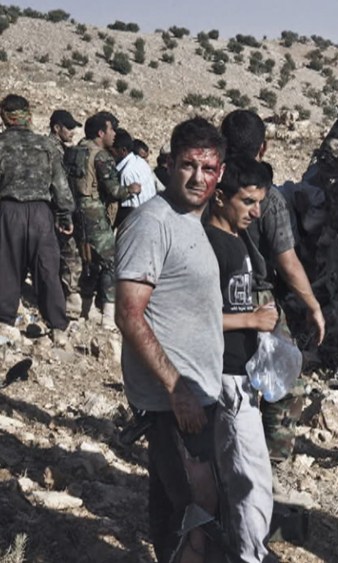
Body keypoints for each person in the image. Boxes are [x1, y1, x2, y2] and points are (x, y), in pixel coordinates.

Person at [115, 117, 228, 561]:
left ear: (220, 172)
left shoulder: (192, 221)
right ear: (169, 164)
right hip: (175, 403)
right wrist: (177, 388)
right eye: (188, 165)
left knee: (173, 512)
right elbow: (129, 314)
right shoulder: (153, 222)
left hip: (196, 395)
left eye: (208, 168)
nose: (198, 177)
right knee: (199, 510)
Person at [219, 109, 325, 462]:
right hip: (257, 298)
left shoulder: (213, 188)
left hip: (214, 292)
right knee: (285, 383)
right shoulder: (268, 198)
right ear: (262, 147)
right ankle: (270, 461)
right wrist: (313, 306)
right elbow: (287, 261)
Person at [205, 155, 279, 563]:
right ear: (220, 197)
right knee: (252, 479)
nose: (256, 212)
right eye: (248, 201)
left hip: (241, 376)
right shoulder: (210, 245)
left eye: (260, 202)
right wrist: (251, 319)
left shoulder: (236, 240)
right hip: (226, 378)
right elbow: (196, 317)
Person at [0, 95, 75, 345]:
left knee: (7, 267)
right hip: (42, 214)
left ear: (5, 117)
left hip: (8, 211)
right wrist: (64, 214)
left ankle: (4, 323)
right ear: (28, 116)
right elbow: (60, 186)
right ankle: (58, 328)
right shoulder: (45, 145)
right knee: (47, 270)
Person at [70, 111, 139, 328]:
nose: (114, 134)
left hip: (75, 210)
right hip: (94, 213)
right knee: (110, 261)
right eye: (111, 130)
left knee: (88, 259)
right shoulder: (101, 156)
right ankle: (109, 315)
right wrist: (131, 189)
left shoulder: (76, 150)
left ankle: (85, 308)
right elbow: (114, 190)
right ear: (101, 133)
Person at [48, 109, 84, 317]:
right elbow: (59, 186)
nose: (72, 132)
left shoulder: (59, 149)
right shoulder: (53, 150)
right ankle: (70, 299)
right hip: (55, 209)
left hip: (53, 209)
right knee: (70, 253)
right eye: (68, 128)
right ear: (56, 128)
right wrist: (65, 213)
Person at [110, 128, 159, 228]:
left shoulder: (127, 173)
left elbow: (129, 210)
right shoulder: (141, 162)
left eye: (111, 150)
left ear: (123, 150)